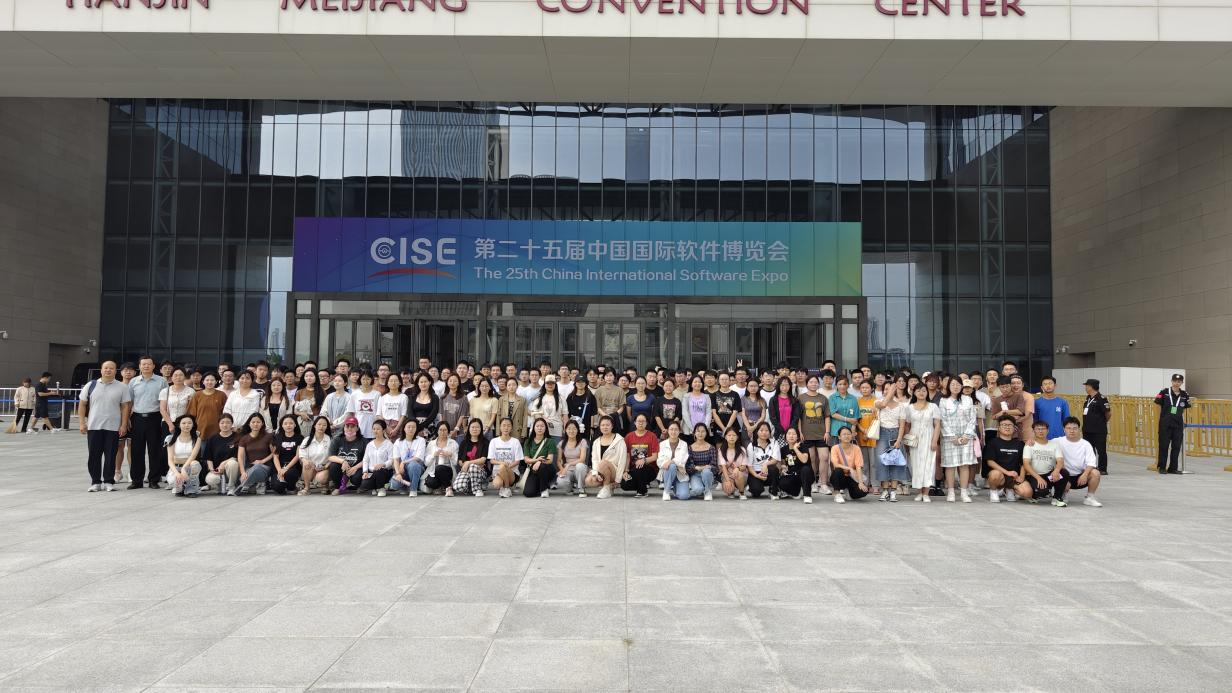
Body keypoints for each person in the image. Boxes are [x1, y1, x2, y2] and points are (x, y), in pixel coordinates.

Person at [78, 361, 132, 492]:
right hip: (94, 426)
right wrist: (82, 423)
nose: (108, 370)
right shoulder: (91, 385)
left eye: (111, 368)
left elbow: (125, 407)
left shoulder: (122, 387)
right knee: (94, 455)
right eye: (106, 368)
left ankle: (109, 481)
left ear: (115, 370)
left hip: (113, 427)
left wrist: (124, 424)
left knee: (111, 455)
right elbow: (82, 404)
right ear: (101, 370)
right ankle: (95, 482)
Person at [127, 357, 168, 489]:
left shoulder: (161, 381)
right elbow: (129, 402)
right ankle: (136, 480)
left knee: (154, 450)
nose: (146, 366)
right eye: (143, 364)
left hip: (155, 418)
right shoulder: (133, 382)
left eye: (149, 364)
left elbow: (165, 402)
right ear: (139, 366)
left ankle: (154, 480)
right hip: (137, 418)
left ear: (153, 366)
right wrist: (127, 418)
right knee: (136, 450)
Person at [938, 377, 979, 503]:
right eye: (953, 384)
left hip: (966, 437)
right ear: (948, 386)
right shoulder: (944, 401)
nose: (955, 387)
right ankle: (951, 492)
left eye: (958, 384)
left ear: (961, 386)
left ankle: (964, 492)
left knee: (964, 465)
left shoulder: (968, 399)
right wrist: (951, 436)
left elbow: (972, 418)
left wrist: (967, 435)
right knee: (950, 466)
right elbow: (942, 420)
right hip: (949, 438)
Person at [1054, 417, 1104, 507]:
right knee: (1061, 473)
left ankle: (1089, 498)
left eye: (1074, 428)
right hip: (1065, 476)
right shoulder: (1057, 441)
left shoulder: (1085, 444)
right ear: (1064, 429)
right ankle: (1062, 495)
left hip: (1080, 476)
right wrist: (1030, 441)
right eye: (1068, 428)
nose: (1071, 431)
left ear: (1079, 429)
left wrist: (1085, 474)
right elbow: (1042, 442)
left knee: (1095, 473)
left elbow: (1091, 463)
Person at [903, 383, 940, 502]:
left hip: (929, 437)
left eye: (924, 390)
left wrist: (934, 441)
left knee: (929, 464)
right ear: (914, 393)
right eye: (918, 390)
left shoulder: (933, 406)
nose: (921, 393)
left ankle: (926, 493)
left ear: (927, 392)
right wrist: (908, 439)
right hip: (915, 439)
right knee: (916, 465)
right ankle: (919, 492)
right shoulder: (909, 408)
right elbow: (907, 425)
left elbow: (937, 425)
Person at [871, 380, 908, 502]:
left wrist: (899, 440)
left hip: (895, 433)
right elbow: (882, 405)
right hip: (882, 433)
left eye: (891, 388)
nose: (889, 391)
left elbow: (902, 425)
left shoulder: (901, 406)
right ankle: (885, 490)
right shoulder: (878, 402)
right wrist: (890, 393)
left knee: (895, 462)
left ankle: (893, 491)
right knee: (882, 462)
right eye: (886, 389)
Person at [797, 374, 832, 496]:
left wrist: (827, 432)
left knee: (824, 457)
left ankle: (823, 484)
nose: (813, 384)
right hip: (806, 434)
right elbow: (798, 417)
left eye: (815, 382)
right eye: (811, 382)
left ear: (818, 384)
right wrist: (800, 432)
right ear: (807, 384)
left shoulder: (823, 398)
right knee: (811, 459)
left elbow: (827, 416)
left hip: (822, 434)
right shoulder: (801, 398)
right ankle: (812, 483)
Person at [985, 414, 1027, 503]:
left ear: (1014, 428)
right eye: (1004, 425)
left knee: (1026, 493)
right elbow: (990, 462)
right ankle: (994, 491)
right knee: (995, 474)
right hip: (1000, 476)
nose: (1007, 427)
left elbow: (1024, 463)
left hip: (1014, 476)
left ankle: (1008, 489)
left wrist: (1021, 477)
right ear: (999, 428)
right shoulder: (992, 442)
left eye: (1010, 425)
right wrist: (1007, 472)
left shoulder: (1020, 444)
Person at [231, 413, 276, 496]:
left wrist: (262, 461)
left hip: (265, 467)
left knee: (257, 467)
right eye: (253, 422)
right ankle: (250, 485)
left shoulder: (268, 436)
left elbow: (274, 453)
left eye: (258, 422)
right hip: (250, 467)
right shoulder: (244, 438)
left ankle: (243, 486)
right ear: (249, 424)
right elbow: (240, 457)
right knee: (246, 475)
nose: (255, 424)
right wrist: (243, 472)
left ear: (262, 423)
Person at [1155, 373, 1191, 475]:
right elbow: (1157, 404)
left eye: (1179, 381)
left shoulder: (1184, 394)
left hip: (1178, 424)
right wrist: (1160, 419)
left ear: (1182, 383)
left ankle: (1173, 468)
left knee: (1176, 447)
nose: (1177, 383)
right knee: (1164, 446)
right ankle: (1162, 467)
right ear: (1171, 381)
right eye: (1175, 381)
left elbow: (1186, 407)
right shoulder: (1164, 392)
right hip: (1165, 424)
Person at [585, 415, 628, 499]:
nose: (605, 427)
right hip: (601, 469)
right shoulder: (596, 442)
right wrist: (596, 474)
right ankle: (609, 487)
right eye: (603, 425)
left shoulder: (619, 440)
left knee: (603, 463)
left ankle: (606, 489)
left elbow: (622, 460)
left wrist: (618, 480)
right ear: (599, 427)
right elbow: (594, 459)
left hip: (614, 470)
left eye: (608, 425)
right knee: (589, 481)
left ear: (612, 426)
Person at [620, 413, 660, 497]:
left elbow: (655, 456)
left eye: (643, 421)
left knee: (640, 467)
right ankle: (641, 484)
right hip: (633, 469)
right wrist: (626, 471)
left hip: (649, 469)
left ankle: (642, 491)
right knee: (624, 484)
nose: (641, 423)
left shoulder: (652, 436)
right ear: (635, 422)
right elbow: (627, 456)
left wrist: (644, 460)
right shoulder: (629, 437)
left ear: (646, 423)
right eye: (639, 421)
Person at [326, 416, 367, 495]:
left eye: (352, 426)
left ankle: (357, 485)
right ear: (344, 428)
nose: (349, 429)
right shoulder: (337, 439)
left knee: (357, 478)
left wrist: (355, 467)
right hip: (342, 468)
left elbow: (367, 459)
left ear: (357, 428)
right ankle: (338, 487)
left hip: (356, 468)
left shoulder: (363, 441)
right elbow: (330, 457)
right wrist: (343, 461)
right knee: (333, 466)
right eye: (347, 426)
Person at [164, 414, 202, 497]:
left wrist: (184, 468)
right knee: (174, 480)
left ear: (193, 425)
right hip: (176, 467)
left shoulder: (197, 439)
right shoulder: (171, 439)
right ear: (179, 425)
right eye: (183, 423)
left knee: (195, 464)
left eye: (189, 423)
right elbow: (170, 460)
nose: (186, 425)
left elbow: (193, 456)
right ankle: (180, 488)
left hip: (188, 466)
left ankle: (191, 489)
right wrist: (177, 473)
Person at [828, 426, 869, 503]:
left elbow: (858, 466)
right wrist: (849, 468)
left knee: (863, 491)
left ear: (852, 435)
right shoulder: (835, 448)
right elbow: (836, 464)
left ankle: (849, 492)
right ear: (839, 437)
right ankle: (837, 493)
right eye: (844, 434)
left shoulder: (856, 448)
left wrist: (860, 483)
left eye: (848, 434)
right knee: (838, 470)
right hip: (839, 477)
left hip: (851, 477)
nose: (846, 436)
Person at [487, 417, 526, 499]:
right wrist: (502, 464)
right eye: (504, 425)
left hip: (512, 473)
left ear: (511, 428)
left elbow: (518, 461)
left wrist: (505, 467)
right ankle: (506, 486)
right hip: (498, 472)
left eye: (508, 425)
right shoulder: (494, 441)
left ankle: (507, 487)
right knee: (497, 484)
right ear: (500, 427)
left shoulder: (515, 442)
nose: (506, 428)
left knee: (502, 467)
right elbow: (491, 460)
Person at [203, 413, 241, 495]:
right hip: (217, 470)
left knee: (232, 463)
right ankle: (219, 485)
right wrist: (212, 470)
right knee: (210, 479)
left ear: (232, 424)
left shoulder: (238, 437)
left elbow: (239, 456)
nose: (225, 425)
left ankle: (231, 487)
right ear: (219, 424)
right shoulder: (212, 438)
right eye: (222, 422)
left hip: (232, 470)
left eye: (228, 422)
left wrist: (224, 463)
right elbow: (208, 458)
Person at [1081, 378, 1112, 475]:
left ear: (1091, 387)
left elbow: (1108, 413)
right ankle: (1092, 466)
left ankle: (1102, 468)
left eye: (1087, 386)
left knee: (1101, 450)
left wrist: (1102, 422)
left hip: (1098, 430)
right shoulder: (1088, 398)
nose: (1085, 387)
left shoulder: (1101, 398)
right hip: (1087, 429)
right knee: (1089, 450)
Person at [453, 419, 491, 497]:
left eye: (477, 427)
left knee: (473, 467)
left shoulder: (485, 442)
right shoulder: (464, 442)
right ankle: (472, 486)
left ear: (481, 429)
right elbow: (460, 461)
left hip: (480, 470)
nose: (474, 429)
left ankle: (477, 489)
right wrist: (466, 465)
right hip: (466, 470)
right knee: (458, 487)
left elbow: (483, 460)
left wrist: (468, 463)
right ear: (469, 428)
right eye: (472, 427)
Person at [744, 421, 781, 499]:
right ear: (757, 432)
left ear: (770, 432)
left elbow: (775, 459)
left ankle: (773, 490)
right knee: (756, 491)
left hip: (769, 471)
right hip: (756, 472)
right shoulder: (751, 446)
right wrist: (756, 475)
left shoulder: (774, 443)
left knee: (774, 469)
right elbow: (749, 466)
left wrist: (765, 464)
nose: (764, 433)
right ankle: (755, 486)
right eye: (761, 430)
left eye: (767, 430)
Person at [357, 420, 396, 496]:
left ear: (383, 430)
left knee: (379, 471)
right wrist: (365, 472)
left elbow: (391, 459)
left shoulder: (389, 444)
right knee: (364, 485)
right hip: (372, 472)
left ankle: (381, 488)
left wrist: (383, 464)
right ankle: (374, 487)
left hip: (384, 471)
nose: (375, 431)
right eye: (374, 429)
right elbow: (365, 460)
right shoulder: (369, 445)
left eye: (378, 429)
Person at [297, 416, 333, 496]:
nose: (321, 427)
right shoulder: (307, 440)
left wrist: (326, 466)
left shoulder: (330, 440)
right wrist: (305, 461)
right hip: (310, 468)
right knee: (307, 463)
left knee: (321, 478)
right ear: (314, 425)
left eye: (324, 425)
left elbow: (333, 456)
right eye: (319, 424)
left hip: (324, 468)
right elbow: (302, 455)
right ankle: (307, 488)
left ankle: (325, 485)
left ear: (327, 427)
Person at [268, 415, 304, 495]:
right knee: (277, 487)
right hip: (279, 466)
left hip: (293, 466)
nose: (288, 425)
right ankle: (283, 486)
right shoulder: (277, 437)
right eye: (286, 423)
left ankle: (291, 487)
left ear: (295, 425)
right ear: (282, 425)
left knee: (289, 474)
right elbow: (275, 456)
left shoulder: (300, 438)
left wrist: (286, 468)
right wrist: (279, 470)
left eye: (291, 423)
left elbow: (297, 456)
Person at [389, 419, 427, 495]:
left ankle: (413, 489)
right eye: (409, 427)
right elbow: (396, 460)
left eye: (413, 427)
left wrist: (403, 462)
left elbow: (418, 458)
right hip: (403, 469)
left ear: (416, 429)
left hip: (417, 467)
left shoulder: (421, 440)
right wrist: (398, 473)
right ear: (404, 428)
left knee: (413, 465)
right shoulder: (398, 441)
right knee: (394, 484)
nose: (411, 429)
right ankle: (405, 486)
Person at [521, 417, 557, 498]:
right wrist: (536, 460)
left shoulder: (550, 441)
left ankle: (544, 489)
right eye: (537, 426)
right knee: (528, 493)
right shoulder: (528, 442)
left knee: (542, 466)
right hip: (533, 470)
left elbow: (550, 460)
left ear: (545, 428)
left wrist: (539, 462)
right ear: (533, 428)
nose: (540, 428)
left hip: (547, 470)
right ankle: (540, 486)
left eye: (542, 426)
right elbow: (526, 460)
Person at [186, 372, 227, 440]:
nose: (209, 382)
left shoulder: (222, 395)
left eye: (212, 380)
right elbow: (191, 414)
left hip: (217, 430)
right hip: (200, 430)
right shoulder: (197, 395)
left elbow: (225, 413)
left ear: (216, 381)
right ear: (203, 382)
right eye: (207, 380)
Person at [778, 427, 814, 503]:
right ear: (785, 436)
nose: (791, 436)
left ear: (797, 436)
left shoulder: (803, 446)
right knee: (781, 482)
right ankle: (796, 492)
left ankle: (807, 495)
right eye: (789, 434)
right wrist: (783, 468)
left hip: (806, 475)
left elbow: (804, 460)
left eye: (794, 434)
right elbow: (783, 463)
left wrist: (795, 449)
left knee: (805, 469)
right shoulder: (783, 449)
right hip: (793, 475)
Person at [658, 420, 691, 501]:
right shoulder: (662, 444)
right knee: (672, 466)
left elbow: (682, 459)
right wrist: (671, 463)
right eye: (671, 429)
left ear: (679, 431)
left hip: (680, 474)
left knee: (684, 496)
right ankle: (666, 491)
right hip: (667, 473)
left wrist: (669, 461)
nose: (673, 432)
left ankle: (675, 487)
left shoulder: (684, 444)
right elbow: (660, 461)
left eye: (676, 429)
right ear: (668, 430)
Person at [556, 419, 590, 497]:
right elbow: (558, 460)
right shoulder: (562, 443)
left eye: (574, 429)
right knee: (560, 481)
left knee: (580, 466)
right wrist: (562, 470)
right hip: (568, 470)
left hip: (580, 469)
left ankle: (581, 488)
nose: (571, 431)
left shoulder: (582, 441)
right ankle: (569, 488)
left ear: (578, 430)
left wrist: (568, 464)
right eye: (569, 429)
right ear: (565, 430)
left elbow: (582, 459)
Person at [767, 377, 802, 449]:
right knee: (779, 453)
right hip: (778, 433)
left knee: (792, 453)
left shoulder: (794, 400)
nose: (785, 388)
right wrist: (782, 431)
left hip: (792, 434)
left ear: (790, 386)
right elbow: (773, 418)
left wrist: (789, 431)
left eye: (787, 385)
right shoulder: (773, 400)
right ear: (778, 386)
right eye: (782, 385)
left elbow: (796, 417)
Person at [159, 367, 194, 437]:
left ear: (185, 377)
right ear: (171, 377)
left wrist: (185, 424)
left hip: (185, 424)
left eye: (181, 375)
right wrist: (170, 425)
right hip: (167, 423)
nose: (178, 377)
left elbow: (190, 410)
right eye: (175, 375)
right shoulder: (165, 391)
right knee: (168, 442)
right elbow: (162, 409)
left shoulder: (190, 391)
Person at [715, 426, 747, 499]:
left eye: (734, 435)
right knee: (728, 489)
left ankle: (741, 492)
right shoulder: (721, 450)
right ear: (725, 437)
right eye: (729, 435)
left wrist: (737, 469)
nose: (731, 437)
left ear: (737, 437)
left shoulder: (742, 450)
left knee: (738, 473)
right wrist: (728, 480)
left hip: (740, 475)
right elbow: (723, 467)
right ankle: (731, 491)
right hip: (728, 475)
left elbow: (744, 467)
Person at [1034, 376, 1070, 441]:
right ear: (1042, 387)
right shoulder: (1036, 402)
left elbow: (1066, 421)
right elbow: (1035, 421)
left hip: (1059, 437)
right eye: (1045, 384)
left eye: (1050, 383)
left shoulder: (1062, 402)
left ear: (1055, 386)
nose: (1048, 386)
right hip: (1042, 437)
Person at [530, 376, 566, 440]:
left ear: (555, 384)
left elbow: (565, 416)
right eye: (548, 383)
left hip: (557, 432)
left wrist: (566, 430)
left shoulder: (561, 398)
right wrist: (545, 422)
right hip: (542, 432)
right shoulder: (539, 399)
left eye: (552, 383)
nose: (550, 385)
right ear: (544, 384)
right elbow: (535, 414)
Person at [348, 370, 381, 438]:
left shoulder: (377, 394)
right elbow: (351, 412)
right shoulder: (355, 394)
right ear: (360, 380)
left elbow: (379, 413)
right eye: (363, 379)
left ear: (371, 380)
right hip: (359, 427)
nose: (365, 381)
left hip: (373, 429)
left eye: (368, 379)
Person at [594, 370, 626, 436]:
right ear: (604, 377)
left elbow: (621, 407)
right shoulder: (599, 390)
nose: (609, 378)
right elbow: (598, 407)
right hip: (602, 418)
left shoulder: (620, 390)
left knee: (616, 437)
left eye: (611, 375)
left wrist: (614, 415)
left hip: (616, 418)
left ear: (614, 377)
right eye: (607, 376)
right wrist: (605, 415)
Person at [710, 372, 741, 440]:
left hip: (732, 426)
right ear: (718, 381)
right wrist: (723, 428)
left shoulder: (735, 394)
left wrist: (727, 428)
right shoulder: (714, 395)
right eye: (722, 379)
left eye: (726, 379)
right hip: (718, 426)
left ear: (729, 381)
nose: (724, 381)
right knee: (719, 445)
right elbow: (714, 413)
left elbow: (735, 412)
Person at [440, 374, 471, 440]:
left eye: (455, 381)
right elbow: (441, 414)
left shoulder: (463, 398)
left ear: (458, 383)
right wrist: (442, 428)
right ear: (447, 382)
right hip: (445, 431)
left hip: (458, 432)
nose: (452, 383)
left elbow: (462, 415)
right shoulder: (443, 397)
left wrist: (456, 429)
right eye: (450, 381)